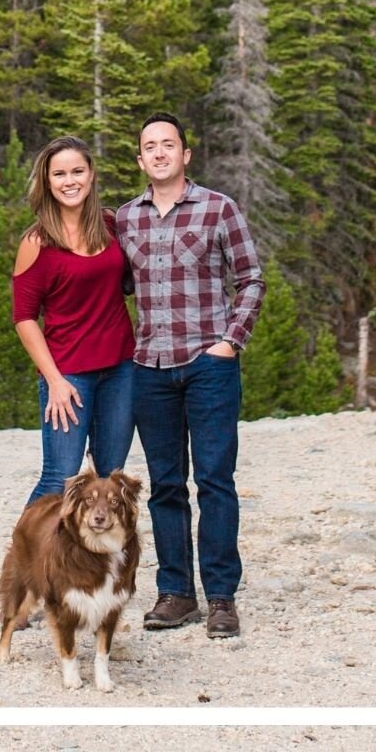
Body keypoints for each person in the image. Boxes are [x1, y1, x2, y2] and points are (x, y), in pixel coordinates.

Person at [116, 113, 265, 641]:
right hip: (149, 368)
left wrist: (230, 342)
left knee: (215, 481)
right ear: (140, 159)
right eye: (149, 146)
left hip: (208, 364)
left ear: (185, 154)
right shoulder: (125, 219)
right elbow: (109, 285)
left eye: (168, 144)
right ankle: (176, 594)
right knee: (165, 486)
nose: (159, 153)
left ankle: (221, 597)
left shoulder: (218, 208)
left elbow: (250, 278)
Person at [12, 135, 136, 504]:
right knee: (59, 479)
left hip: (121, 370)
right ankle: (25, 560)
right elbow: (24, 318)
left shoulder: (111, 225)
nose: (70, 181)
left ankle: (91, 562)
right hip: (69, 376)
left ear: (92, 174)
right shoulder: (36, 243)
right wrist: (54, 381)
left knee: (107, 479)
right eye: (60, 173)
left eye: (78, 171)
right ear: (48, 181)